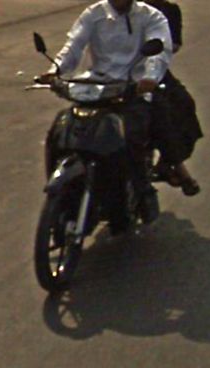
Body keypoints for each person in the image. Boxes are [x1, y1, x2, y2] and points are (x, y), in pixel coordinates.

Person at [38, 0, 173, 230]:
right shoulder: (94, 13)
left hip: (132, 89)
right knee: (61, 129)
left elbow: (159, 51)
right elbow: (73, 46)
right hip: (96, 87)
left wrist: (149, 77)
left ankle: (142, 192)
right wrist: (55, 72)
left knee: (131, 137)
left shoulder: (151, 16)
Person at [144, 0, 203, 196]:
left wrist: (158, 45)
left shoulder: (169, 10)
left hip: (153, 71)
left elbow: (174, 45)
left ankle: (170, 164)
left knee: (182, 106)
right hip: (114, 71)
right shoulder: (115, 12)